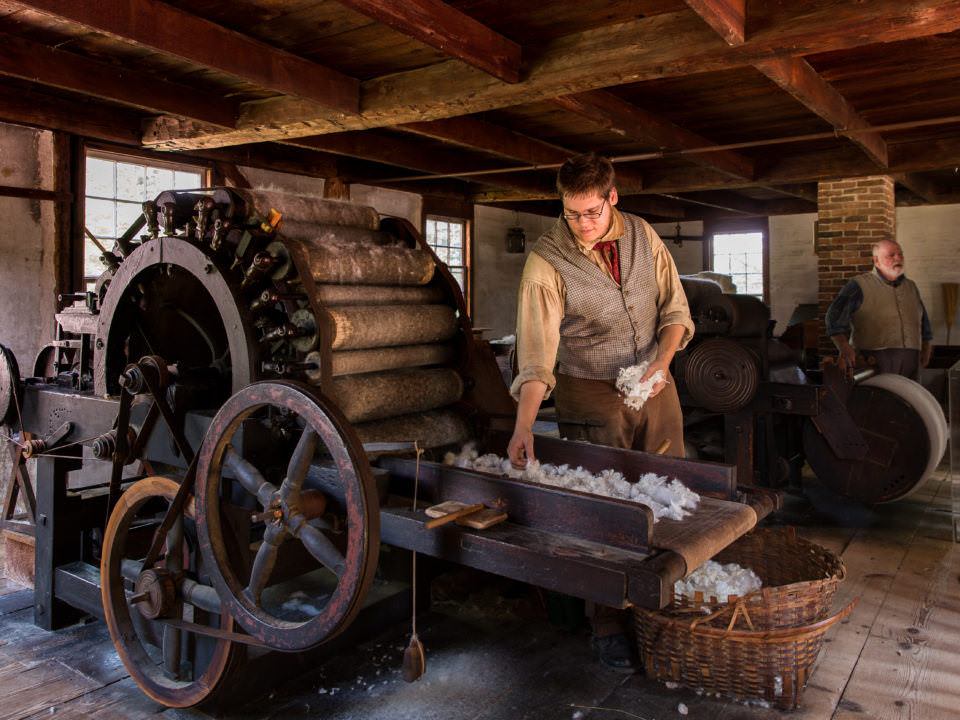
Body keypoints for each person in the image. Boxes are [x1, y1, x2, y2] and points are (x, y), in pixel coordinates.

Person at [506, 152, 694, 672]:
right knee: (604, 504)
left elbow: (675, 308)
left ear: (613, 198)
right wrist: (524, 427)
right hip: (588, 389)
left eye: (592, 211)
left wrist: (662, 361)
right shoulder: (546, 261)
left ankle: (666, 604)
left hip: (654, 382)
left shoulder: (643, 235)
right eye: (572, 214)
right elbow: (537, 355)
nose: (582, 224)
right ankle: (607, 621)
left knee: (670, 489)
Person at [825, 239, 933, 379]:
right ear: (876, 260)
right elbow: (833, 318)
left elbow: (923, 320)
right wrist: (844, 347)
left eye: (900, 254)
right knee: (879, 399)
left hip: (912, 359)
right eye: (891, 255)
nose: (898, 258)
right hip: (873, 360)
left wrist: (926, 346)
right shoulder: (858, 285)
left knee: (906, 400)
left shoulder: (911, 287)